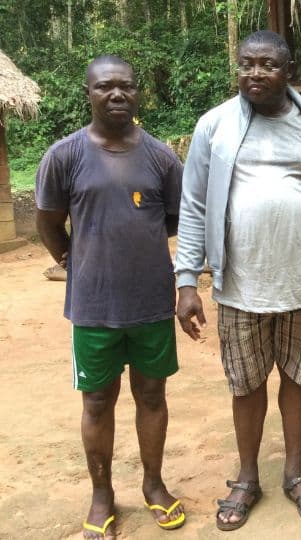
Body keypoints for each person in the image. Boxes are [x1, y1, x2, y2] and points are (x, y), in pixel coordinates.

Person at [174, 30, 301, 530]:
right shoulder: (214, 126)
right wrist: (187, 279)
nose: (255, 74)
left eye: (267, 65)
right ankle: (247, 477)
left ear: (289, 70)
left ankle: (296, 473)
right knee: (246, 384)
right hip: (239, 288)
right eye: (246, 64)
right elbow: (192, 205)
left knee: (299, 380)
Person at [35, 55, 185, 539]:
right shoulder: (64, 156)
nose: (117, 94)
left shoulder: (162, 157)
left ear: (138, 92)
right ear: (88, 93)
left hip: (151, 306)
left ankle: (154, 485)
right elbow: (49, 224)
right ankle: (102, 495)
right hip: (94, 309)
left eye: (126, 86)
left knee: (152, 394)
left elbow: (173, 223)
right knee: (97, 401)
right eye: (105, 87)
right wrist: (73, 262)